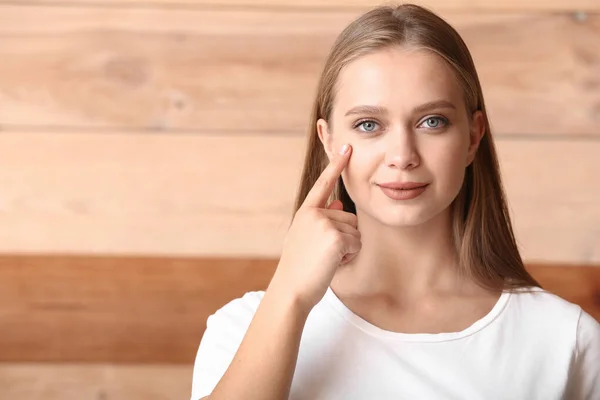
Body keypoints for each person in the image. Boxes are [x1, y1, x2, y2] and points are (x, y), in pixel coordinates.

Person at [190, 3, 600, 399]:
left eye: (432, 121)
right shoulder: (245, 328)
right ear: (328, 140)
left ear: (473, 137)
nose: (402, 155)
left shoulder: (565, 341)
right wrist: (290, 297)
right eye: (369, 125)